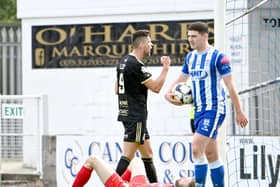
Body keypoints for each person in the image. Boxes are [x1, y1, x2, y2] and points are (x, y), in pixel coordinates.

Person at [165, 22, 248, 187]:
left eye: (194, 36)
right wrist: (169, 92)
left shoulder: (218, 57)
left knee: (196, 147)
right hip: (198, 111)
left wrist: (239, 111)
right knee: (211, 154)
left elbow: (231, 85)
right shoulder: (191, 57)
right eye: (189, 36)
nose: (190, 40)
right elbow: (181, 79)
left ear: (205, 36)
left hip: (215, 109)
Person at [115, 29, 171, 183]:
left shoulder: (123, 61)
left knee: (148, 154)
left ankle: (154, 185)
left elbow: (116, 90)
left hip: (127, 114)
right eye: (150, 42)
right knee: (127, 157)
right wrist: (166, 69)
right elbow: (156, 88)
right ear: (143, 44)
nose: (152, 45)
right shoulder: (137, 65)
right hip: (136, 116)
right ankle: (110, 183)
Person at [72, 155, 195, 187]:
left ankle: (118, 184)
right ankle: (118, 181)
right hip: (142, 184)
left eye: (185, 181)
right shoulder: (173, 185)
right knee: (136, 161)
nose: (182, 177)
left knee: (92, 160)